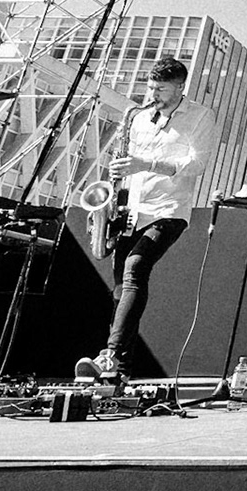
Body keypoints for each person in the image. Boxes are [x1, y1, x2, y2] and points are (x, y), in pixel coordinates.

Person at [77, 56, 217, 383]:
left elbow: (196, 165)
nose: (154, 93)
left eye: (162, 89)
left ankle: (108, 355)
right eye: (151, 86)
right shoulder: (137, 117)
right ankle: (118, 372)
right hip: (130, 210)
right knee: (121, 289)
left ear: (181, 87)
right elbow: (127, 162)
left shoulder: (200, 116)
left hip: (169, 209)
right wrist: (112, 194)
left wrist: (147, 164)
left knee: (136, 268)